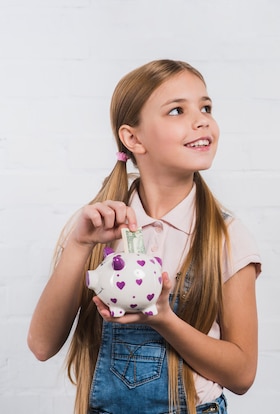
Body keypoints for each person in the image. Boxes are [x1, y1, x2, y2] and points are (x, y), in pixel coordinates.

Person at [27, 59, 262, 414]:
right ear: (133, 138)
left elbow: (242, 374)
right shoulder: (93, 227)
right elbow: (42, 345)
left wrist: (163, 318)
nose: (202, 120)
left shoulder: (226, 237)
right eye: (177, 110)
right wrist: (78, 247)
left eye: (206, 107)